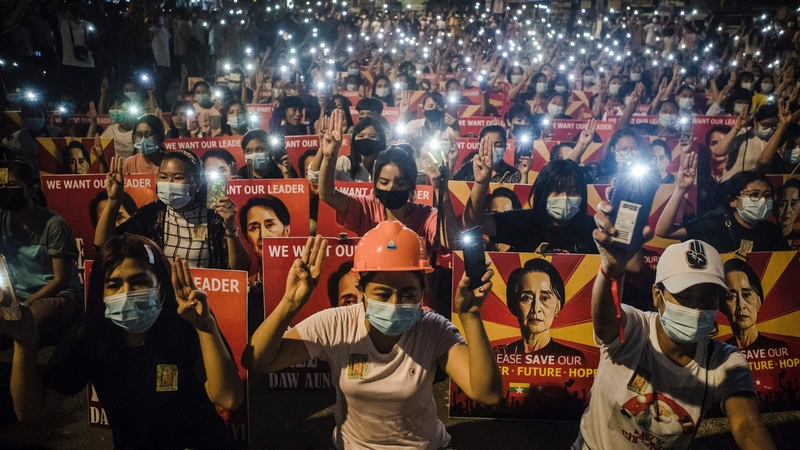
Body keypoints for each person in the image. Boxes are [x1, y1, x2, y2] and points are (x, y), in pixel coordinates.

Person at [243, 225, 503, 449]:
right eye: (382, 294)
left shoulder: (432, 329)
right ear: (362, 291)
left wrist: (470, 316)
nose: (394, 303)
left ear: (423, 292)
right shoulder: (335, 324)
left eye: (408, 295)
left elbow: (487, 394)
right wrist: (290, 303)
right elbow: (258, 361)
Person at [0, 235, 243, 448]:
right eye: (114, 285)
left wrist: (207, 327)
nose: (127, 293)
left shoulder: (188, 323)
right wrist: (25, 344)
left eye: (140, 281)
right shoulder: (92, 335)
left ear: (161, 285)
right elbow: (29, 411)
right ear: (101, 292)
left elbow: (229, 397)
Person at [575, 220, 776, 449]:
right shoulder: (635, 329)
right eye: (685, 295)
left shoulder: (724, 362)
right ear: (657, 296)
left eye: (707, 298)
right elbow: (606, 322)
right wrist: (609, 273)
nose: (696, 308)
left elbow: (747, 424)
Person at [319, 110, 458, 254]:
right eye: (384, 182)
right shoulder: (367, 209)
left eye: (400, 183)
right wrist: (330, 156)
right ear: (375, 183)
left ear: (411, 185)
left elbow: (450, 241)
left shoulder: (426, 216)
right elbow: (327, 194)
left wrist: (442, 189)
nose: (391, 188)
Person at [95, 151, 251, 271]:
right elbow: (103, 245)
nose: (169, 184)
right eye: (163, 177)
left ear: (196, 184)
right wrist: (113, 201)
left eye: (177, 178)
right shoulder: (152, 214)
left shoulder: (213, 216)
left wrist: (230, 226)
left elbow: (240, 268)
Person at [0, 162, 83, 349]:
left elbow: (60, 281)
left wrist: (26, 304)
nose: (5, 191)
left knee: (25, 320)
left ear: (31, 190)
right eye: (1, 186)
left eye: (12, 185)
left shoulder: (54, 225)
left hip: (59, 296)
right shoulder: (3, 218)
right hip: (17, 294)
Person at [464, 157, 597, 254]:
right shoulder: (523, 221)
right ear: (543, 192)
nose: (565, 198)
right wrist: (481, 184)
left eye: (573, 192)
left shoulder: (593, 229)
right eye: (556, 191)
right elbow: (475, 222)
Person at [657, 161, 789, 253]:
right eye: (754, 195)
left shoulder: (772, 233)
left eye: (767, 195)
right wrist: (680, 189)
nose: (762, 200)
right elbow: (664, 231)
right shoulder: (713, 225)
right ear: (733, 201)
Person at [495, 258, 585, 358]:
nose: (536, 308)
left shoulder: (571, 358)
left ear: (557, 307)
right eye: (526, 298)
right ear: (513, 306)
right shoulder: (500, 355)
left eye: (545, 298)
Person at [722, 258, 789, 351]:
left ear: (758, 301)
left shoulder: (778, 349)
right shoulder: (718, 353)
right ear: (723, 306)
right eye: (731, 296)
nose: (741, 305)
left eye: (746, 295)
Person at [238, 195, 292, 287]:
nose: (262, 235)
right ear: (247, 238)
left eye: (270, 225)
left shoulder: (302, 283)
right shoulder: (244, 287)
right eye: (254, 228)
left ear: (286, 231)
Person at [0, 101, 64, 171]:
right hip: (30, 177)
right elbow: (2, 144)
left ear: (45, 117)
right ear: (24, 118)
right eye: (30, 115)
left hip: (51, 177)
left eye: (38, 115)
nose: (34, 119)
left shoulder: (56, 132)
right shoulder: (20, 135)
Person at [451, 125, 521, 183]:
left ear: (505, 147)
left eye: (498, 145)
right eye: (488, 145)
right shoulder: (467, 169)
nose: (492, 149)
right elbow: (451, 188)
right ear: (479, 146)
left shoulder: (513, 174)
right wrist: (451, 163)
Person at [402, 92, 459, 157]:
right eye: (430, 106)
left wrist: (456, 128)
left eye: (438, 106)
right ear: (423, 109)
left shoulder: (448, 129)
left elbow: (458, 149)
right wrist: (403, 114)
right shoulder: (414, 125)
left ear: (443, 109)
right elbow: (398, 139)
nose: (434, 109)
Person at [774, 178, 800, 250]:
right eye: (782, 204)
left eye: (793, 204)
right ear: (774, 208)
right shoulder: (764, 239)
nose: (787, 210)